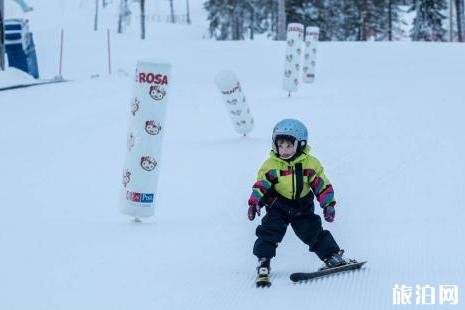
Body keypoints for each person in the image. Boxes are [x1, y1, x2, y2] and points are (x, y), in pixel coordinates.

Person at [248, 119, 347, 287]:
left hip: (302, 206)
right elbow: (261, 185)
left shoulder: (310, 164)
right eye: (280, 146)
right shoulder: (271, 165)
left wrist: (328, 204)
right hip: (277, 206)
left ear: (300, 144)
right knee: (269, 232)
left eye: (289, 145)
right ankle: (263, 261)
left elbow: (321, 184)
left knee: (313, 231)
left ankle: (332, 256)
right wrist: (254, 202)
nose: (284, 150)